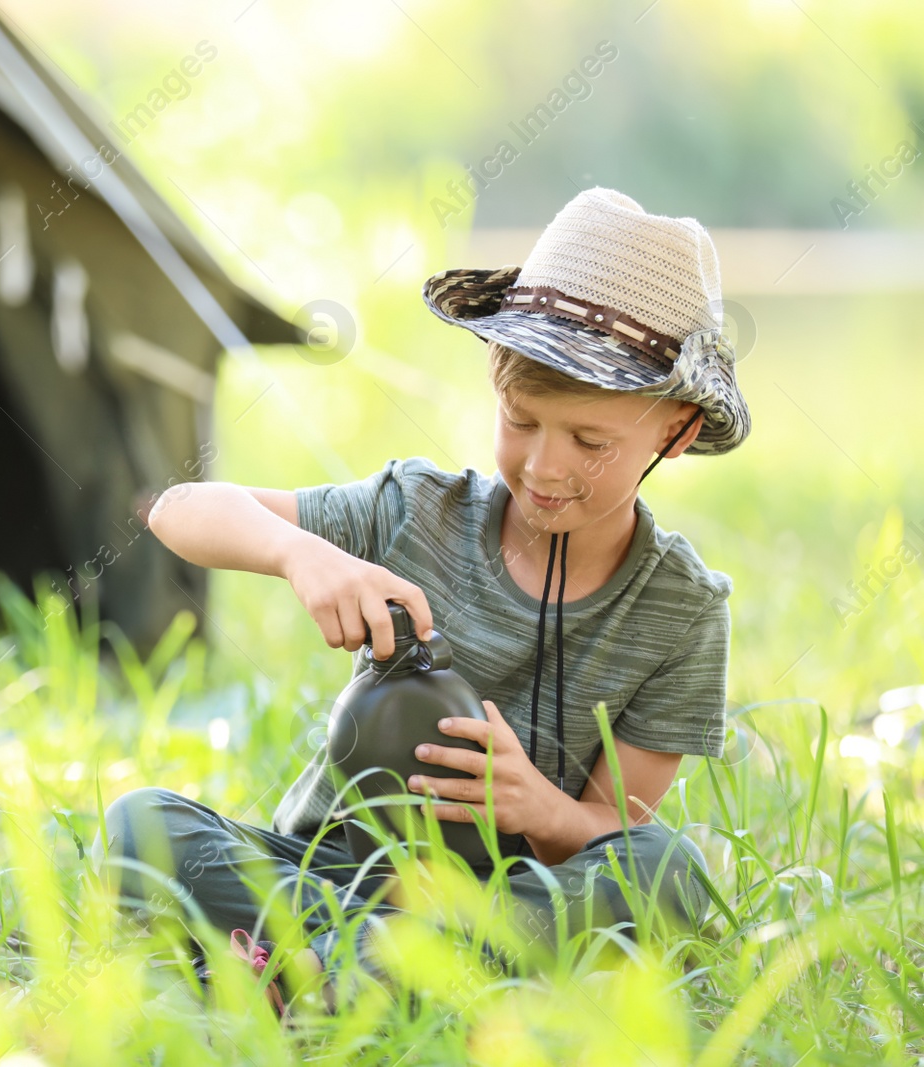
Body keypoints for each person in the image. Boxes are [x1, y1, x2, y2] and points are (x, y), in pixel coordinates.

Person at [92, 188, 751, 1015]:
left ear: (676, 432)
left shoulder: (681, 612)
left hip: (513, 897)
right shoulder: (418, 509)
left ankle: (323, 967)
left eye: (590, 441)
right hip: (335, 870)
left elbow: (613, 829)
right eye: (521, 421)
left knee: (668, 869)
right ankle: (368, 970)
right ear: (494, 385)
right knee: (139, 825)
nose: (546, 468)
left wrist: (534, 804)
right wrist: (301, 554)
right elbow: (178, 510)